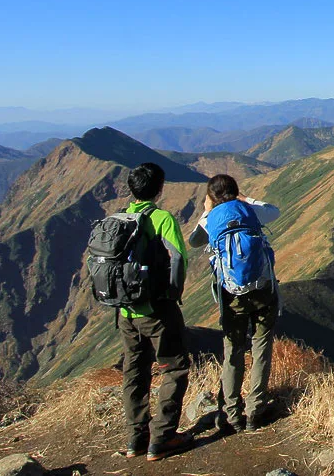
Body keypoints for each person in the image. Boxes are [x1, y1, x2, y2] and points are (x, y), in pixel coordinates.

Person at [189, 174, 281, 433]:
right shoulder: (249, 210)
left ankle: (232, 413)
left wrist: (206, 211)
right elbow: (274, 211)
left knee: (233, 350)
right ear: (236, 191)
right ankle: (255, 411)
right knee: (261, 347)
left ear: (211, 196)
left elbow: (194, 241)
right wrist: (246, 199)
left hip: (231, 296)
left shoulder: (211, 219)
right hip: (263, 290)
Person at [118, 162, 192, 461]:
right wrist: (172, 295)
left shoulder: (119, 219)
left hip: (126, 313)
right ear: (159, 190)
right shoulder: (162, 219)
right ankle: (162, 438)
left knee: (134, 372)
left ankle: (136, 439)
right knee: (174, 368)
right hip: (157, 310)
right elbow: (178, 259)